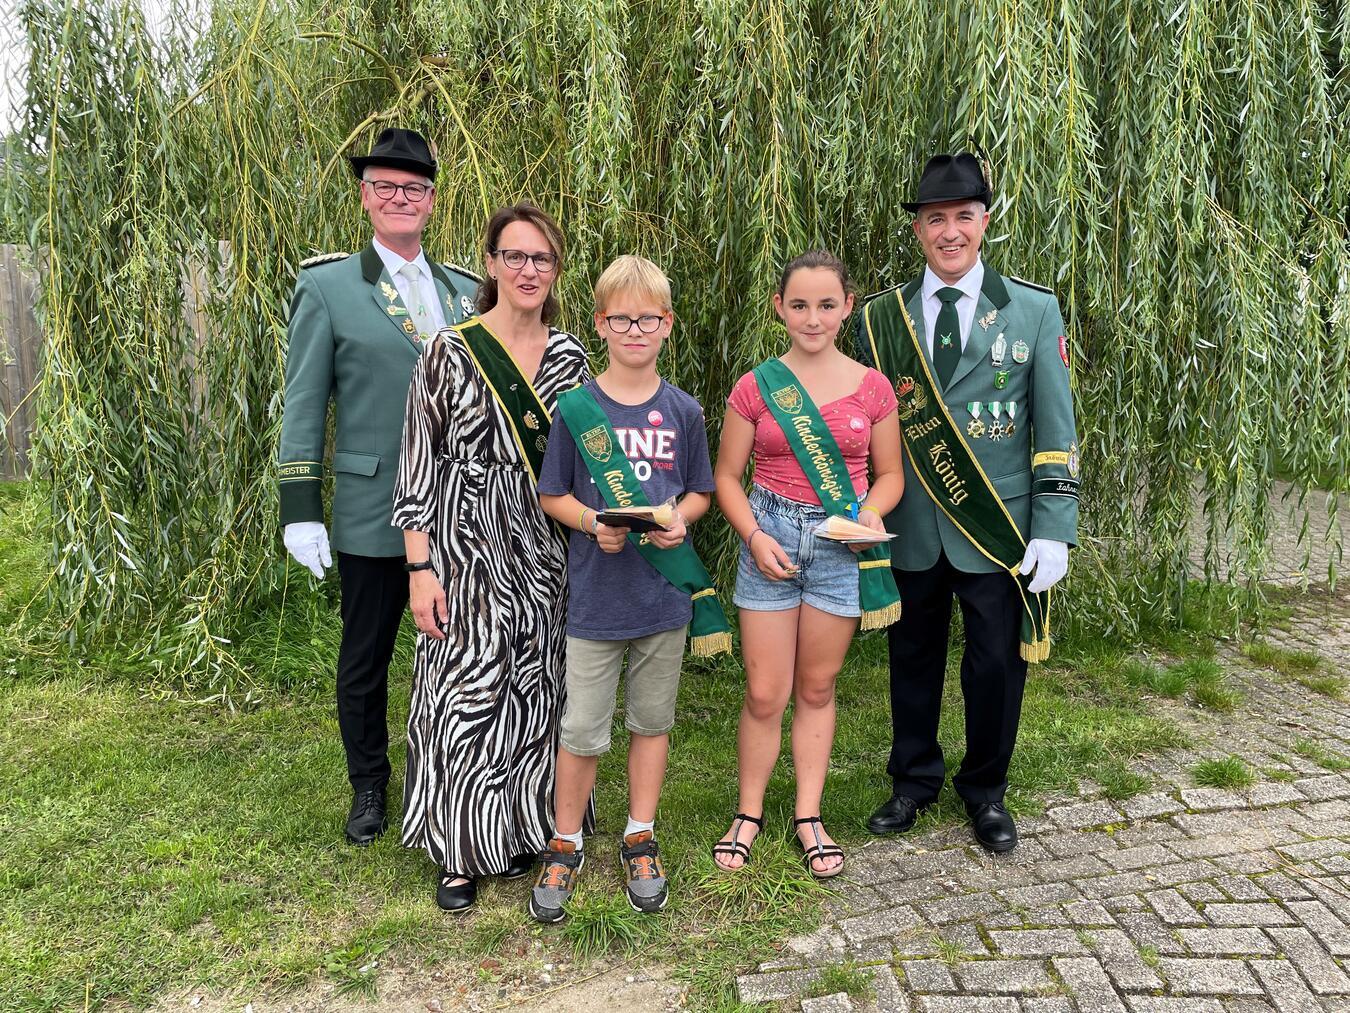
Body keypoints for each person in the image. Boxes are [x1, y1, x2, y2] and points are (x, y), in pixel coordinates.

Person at [856, 153, 1079, 853]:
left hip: (996, 527)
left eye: (962, 217)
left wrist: (1054, 527)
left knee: (994, 662)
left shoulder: (1034, 310)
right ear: (918, 230)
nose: (949, 232)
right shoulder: (878, 320)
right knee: (911, 655)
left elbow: (1055, 429)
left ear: (984, 222)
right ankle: (914, 779)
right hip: (910, 524)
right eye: (934, 219)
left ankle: (985, 790)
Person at [277, 127, 480, 848]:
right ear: (365, 197)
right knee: (365, 655)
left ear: (431, 200)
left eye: (415, 188)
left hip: (460, 511)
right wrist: (299, 505)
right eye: (386, 186)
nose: (401, 198)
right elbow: (303, 400)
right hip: (373, 507)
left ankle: (457, 769)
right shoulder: (329, 286)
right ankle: (369, 780)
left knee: (460, 649)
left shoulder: (465, 290)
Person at [391, 202, 590, 912]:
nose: (528, 269)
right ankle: (458, 847)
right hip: (465, 544)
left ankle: (524, 827)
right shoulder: (450, 348)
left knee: (537, 684)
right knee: (467, 690)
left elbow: (587, 457)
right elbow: (416, 467)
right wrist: (421, 567)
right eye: (515, 256)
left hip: (543, 544)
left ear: (555, 269)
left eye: (541, 258)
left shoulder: (572, 356)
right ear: (493, 264)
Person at [527, 254, 729, 923]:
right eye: (621, 319)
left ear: (668, 324)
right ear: (600, 324)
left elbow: (700, 491)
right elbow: (551, 492)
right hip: (594, 599)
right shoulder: (576, 410)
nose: (634, 329)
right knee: (581, 728)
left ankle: (640, 832)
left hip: (661, 600)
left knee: (652, 721)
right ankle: (567, 839)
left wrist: (680, 521)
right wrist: (592, 523)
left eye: (647, 318)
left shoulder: (685, 411)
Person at [711, 251, 904, 879]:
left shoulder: (873, 388)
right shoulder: (755, 386)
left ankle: (809, 815)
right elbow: (726, 477)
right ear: (780, 309)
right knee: (767, 691)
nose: (813, 318)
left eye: (826, 304)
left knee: (818, 687)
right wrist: (752, 535)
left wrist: (869, 515)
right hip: (769, 539)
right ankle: (747, 812)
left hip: (839, 547)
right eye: (799, 305)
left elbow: (891, 475)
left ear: (848, 306)